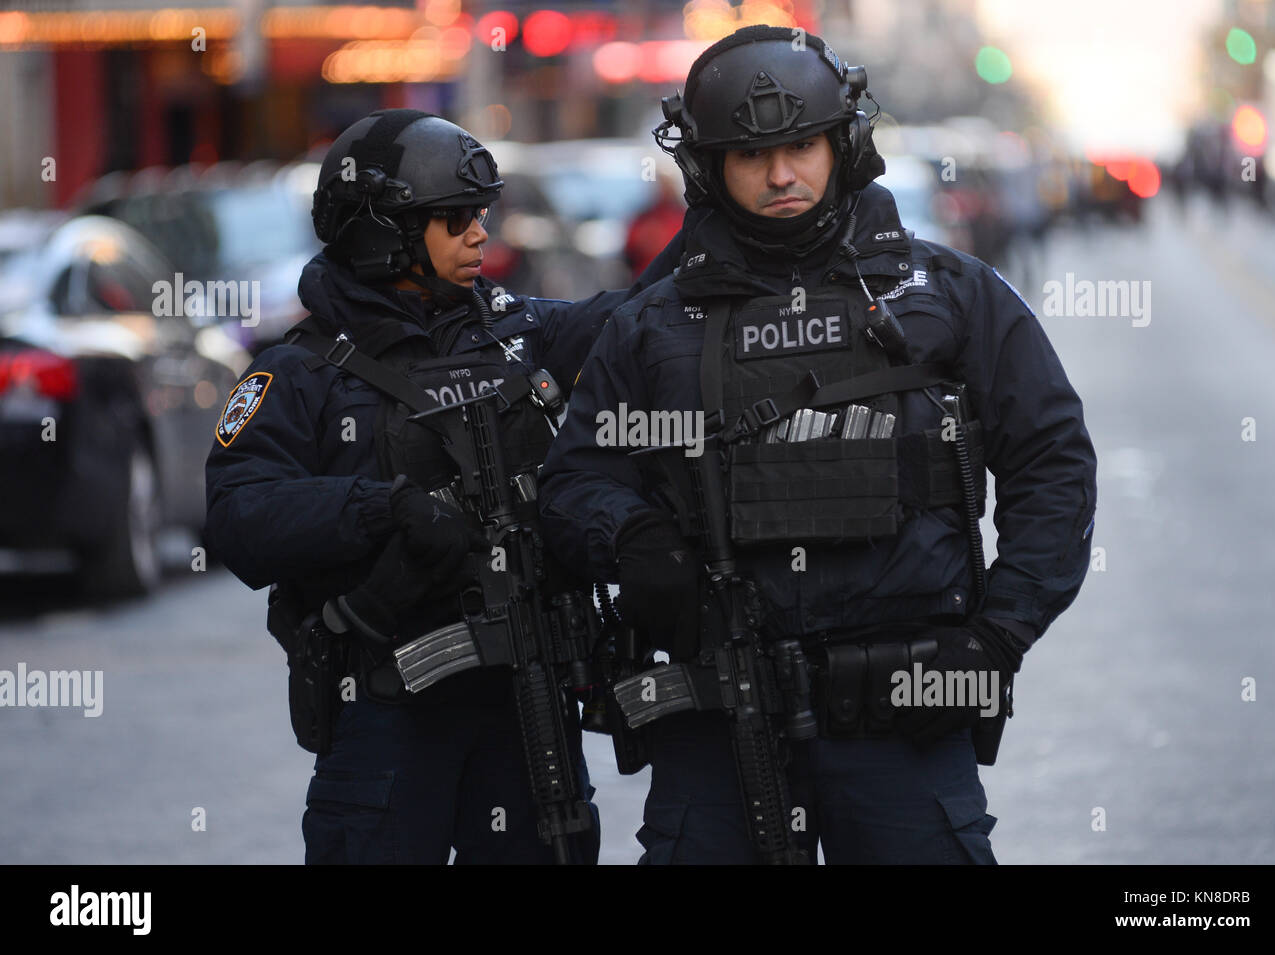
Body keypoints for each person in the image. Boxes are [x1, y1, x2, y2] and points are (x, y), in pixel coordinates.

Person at [537, 26, 1098, 864]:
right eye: (750, 155)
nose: (780, 175)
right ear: (708, 167)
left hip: (904, 718)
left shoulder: (948, 293)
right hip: (718, 719)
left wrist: (998, 635)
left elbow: (1052, 461)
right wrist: (632, 536)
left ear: (845, 144)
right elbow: (572, 482)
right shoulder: (651, 325)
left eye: (800, 146)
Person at [204, 109, 682, 864]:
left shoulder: (519, 333)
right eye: (455, 219)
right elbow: (239, 516)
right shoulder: (300, 372)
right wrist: (382, 509)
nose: (479, 235)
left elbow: (645, 309)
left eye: (481, 214)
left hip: (527, 701)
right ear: (384, 233)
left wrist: (718, 189)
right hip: (388, 710)